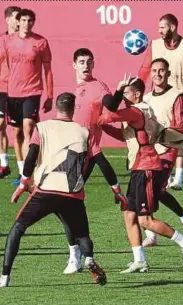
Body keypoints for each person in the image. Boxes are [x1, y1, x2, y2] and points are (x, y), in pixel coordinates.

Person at [0, 93, 107, 288]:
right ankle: (89, 258)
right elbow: (100, 162)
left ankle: (5, 276)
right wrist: (116, 190)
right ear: (73, 109)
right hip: (71, 194)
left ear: (55, 108)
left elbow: (31, 155)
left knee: (17, 228)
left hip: (45, 191)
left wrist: (23, 183)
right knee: (82, 234)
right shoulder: (83, 131)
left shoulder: (42, 127)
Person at [98, 78, 183, 273]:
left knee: (145, 220)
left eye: (126, 94)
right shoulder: (139, 112)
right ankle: (139, 259)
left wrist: (101, 115)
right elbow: (123, 135)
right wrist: (102, 126)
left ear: (137, 94)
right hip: (138, 168)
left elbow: (109, 114)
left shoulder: (136, 111)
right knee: (128, 214)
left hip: (146, 168)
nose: (124, 98)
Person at [61, 48, 127, 274]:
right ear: (74, 65)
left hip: (84, 157)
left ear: (94, 63)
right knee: (66, 205)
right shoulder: (75, 91)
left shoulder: (99, 88)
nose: (85, 65)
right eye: (81, 61)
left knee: (68, 204)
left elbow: (111, 104)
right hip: (67, 155)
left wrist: (118, 91)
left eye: (89, 61)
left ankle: (76, 256)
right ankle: (77, 254)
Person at [138, 13, 183, 190]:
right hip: (158, 97)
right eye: (159, 27)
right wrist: (137, 88)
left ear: (173, 27)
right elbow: (146, 68)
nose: (159, 30)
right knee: (156, 134)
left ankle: (179, 177)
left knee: (180, 135)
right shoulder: (155, 45)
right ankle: (158, 170)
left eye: (162, 27)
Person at [141, 58, 183, 247]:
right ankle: (152, 232)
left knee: (155, 189)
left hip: (167, 150)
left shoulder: (176, 96)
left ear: (168, 73)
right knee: (147, 190)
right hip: (148, 152)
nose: (158, 74)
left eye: (162, 71)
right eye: (155, 70)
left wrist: (165, 140)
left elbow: (181, 127)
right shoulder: (146, 98)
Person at [0, 9, 53, 186]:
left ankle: (29, 172)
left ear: (33, 22)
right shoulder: (7, 41)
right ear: (18, 21)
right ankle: (22, 170)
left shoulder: (41, 42)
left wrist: (50, 95)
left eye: (30, 20)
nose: (27, 23)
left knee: (28, 127)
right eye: (23, 20)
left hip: (33, 91)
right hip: (12, 93)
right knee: (18, 132)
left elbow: (48, 70)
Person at [0, 6, 21, 178]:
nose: (19, 20)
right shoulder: (2, 41)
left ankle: (25, 170)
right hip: (2, 87)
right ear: (7, 19)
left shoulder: (25, 40)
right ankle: (4, 163)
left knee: (19, 130)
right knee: (0, 124)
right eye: (16, 17)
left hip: (20, 89)